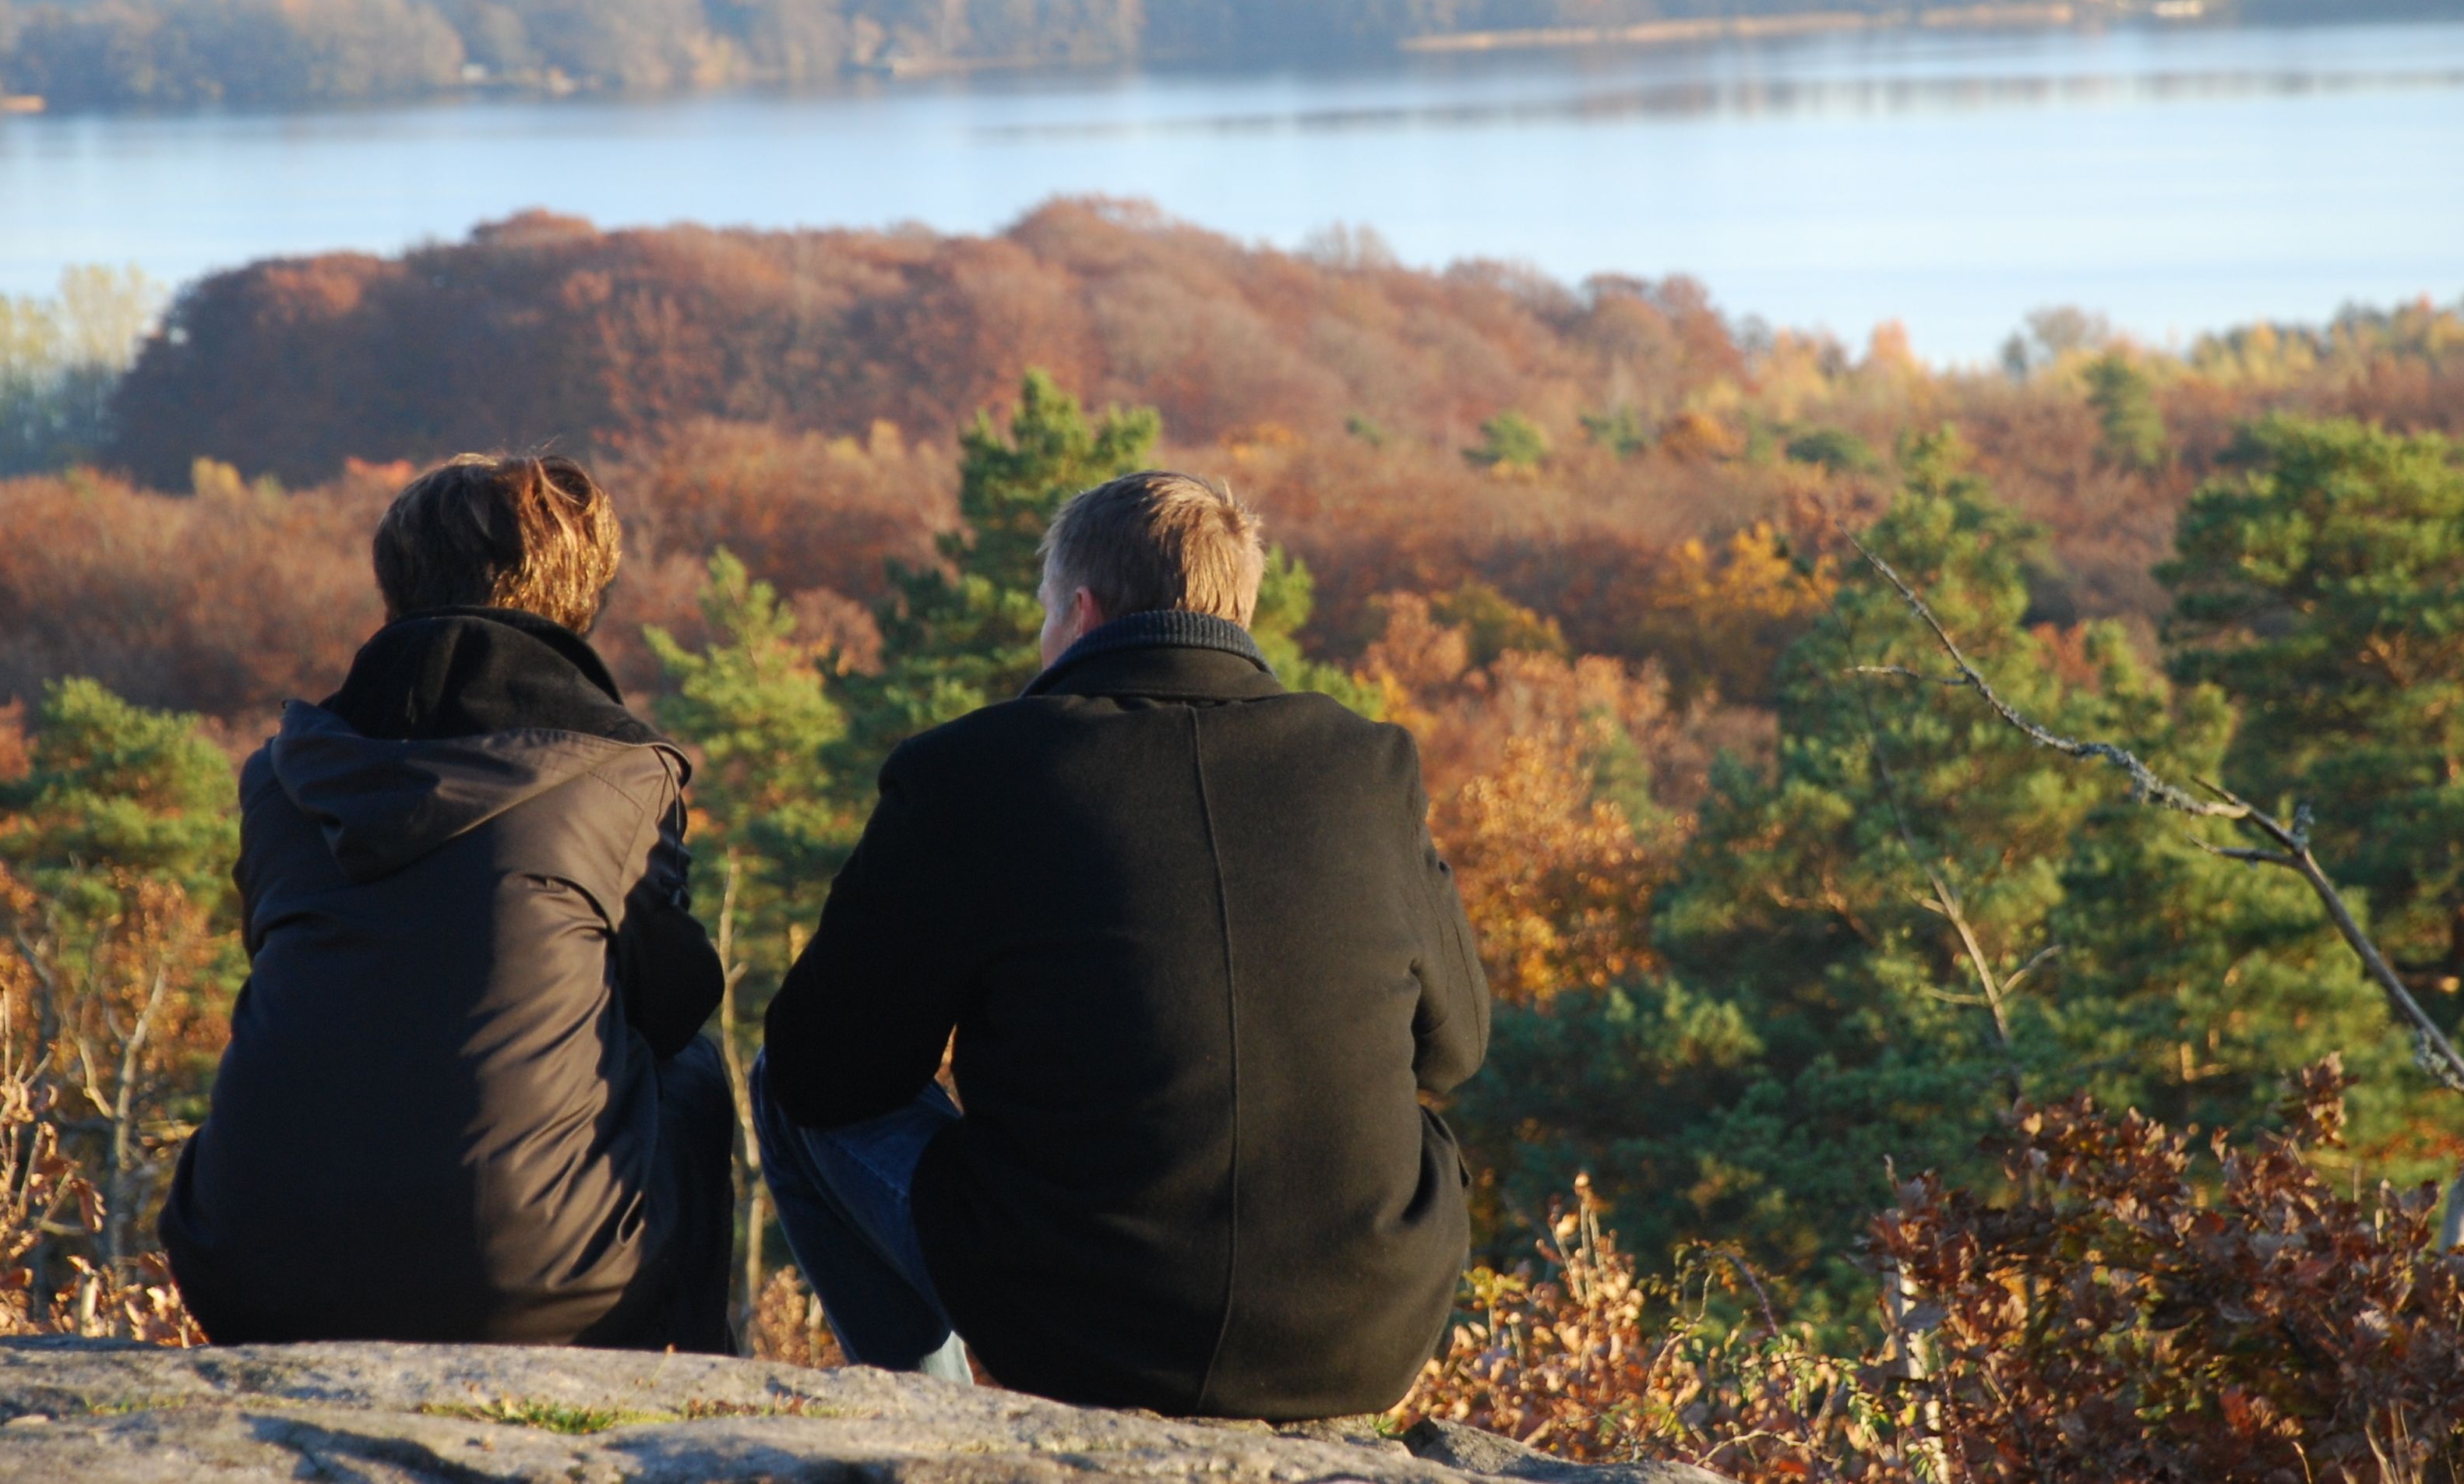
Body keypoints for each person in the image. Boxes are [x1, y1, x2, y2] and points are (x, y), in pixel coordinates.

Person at [757, 470, 1490, 1420]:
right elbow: (1457, 1048)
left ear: (1082, 609)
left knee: (782, 1074)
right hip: (1362, 1336)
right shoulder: (1365, 762)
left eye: (1044, 614)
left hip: (1075, 1333)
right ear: (1242, 606)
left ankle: (934, 1426)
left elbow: (825, 1071)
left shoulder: (976, 768)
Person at [161, 453, 731, 1351]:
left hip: (245, 1268)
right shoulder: (617, 778)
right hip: (529, 1284)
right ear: (584, 594)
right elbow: (677, 999)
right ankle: (690, 1392)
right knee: (692, 1071)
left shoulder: (282, 776)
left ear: (396, 584)